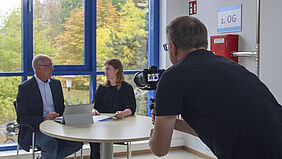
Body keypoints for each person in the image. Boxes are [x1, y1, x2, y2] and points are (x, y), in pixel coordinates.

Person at [149, 16, 282, 159]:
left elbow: (160, 149)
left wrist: (153, 138)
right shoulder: (232, 67)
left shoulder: (172, 76)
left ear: (172, 48)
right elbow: (213, 126)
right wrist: (173, 124)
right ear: (204, 44)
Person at [16, 54, 83, 159]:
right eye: (49, 65)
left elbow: (61, 108)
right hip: (37, 128)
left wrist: (73, 113)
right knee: (50, 144)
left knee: (77, 142)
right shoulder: (25, 88)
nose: (53, 68)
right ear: (39, 68)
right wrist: (44, 118)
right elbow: (21, 118)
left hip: (57, 125)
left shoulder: (56, 84)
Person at [90, 58, 137, 159]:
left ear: (117, 70)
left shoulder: (126, 87)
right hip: (102, 125)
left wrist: (123, 113)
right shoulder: (102, 88)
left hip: (119, 126)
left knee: (99, 138)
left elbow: (131, 108)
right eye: (105, 69)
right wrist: (93, 110)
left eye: (108, 69)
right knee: (93, 139)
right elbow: (94, 106)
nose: (105, 72)